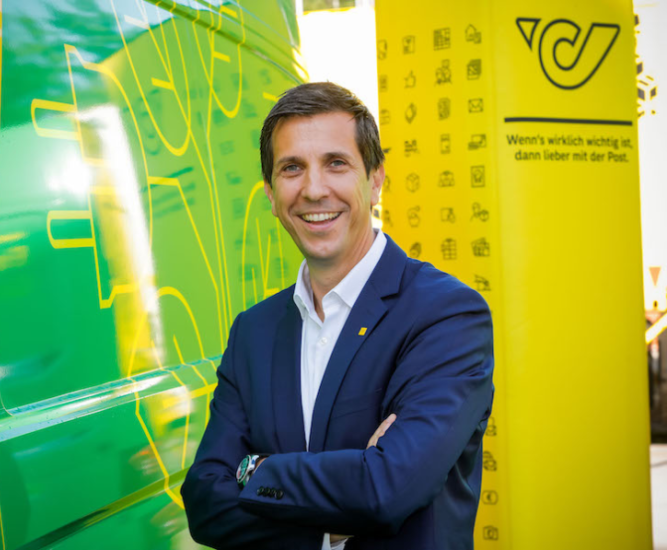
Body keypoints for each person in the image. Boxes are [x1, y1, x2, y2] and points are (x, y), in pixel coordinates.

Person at [182, 82, 494, 549]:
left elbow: (386, 490)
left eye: (336, 163)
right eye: (292, 168)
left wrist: (253, 470)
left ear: (376, 180)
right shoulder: (253, 332)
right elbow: (205, 504)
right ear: (270, 194)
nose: (313, 189)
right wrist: (339, 506)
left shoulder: (446, 315)